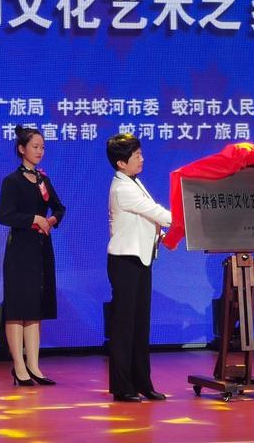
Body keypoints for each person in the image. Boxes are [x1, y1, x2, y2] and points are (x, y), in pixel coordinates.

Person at [0, 125, 66, 387]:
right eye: (35, 146)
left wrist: (51, 219)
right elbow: (5, 215)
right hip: (19, 251)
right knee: (17, 309)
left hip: (40, 248)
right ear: (21, 149)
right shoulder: (12, 181)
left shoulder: (42, 180)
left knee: (34, 309)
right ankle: (19, 366)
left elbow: (59, 208)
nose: (40, 151)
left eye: (43, 147)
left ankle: (34, 366)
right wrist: (34, 219)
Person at [105, 133, 172, 402]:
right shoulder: (122, 188)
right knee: (124, 327)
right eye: (137, 156)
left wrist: (161, 235)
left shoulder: (133, 181)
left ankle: (142, 382)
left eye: (140, 154)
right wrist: (182, 221)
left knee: (140, 325)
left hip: (140, 259)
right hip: (125, 261)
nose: (142, 159)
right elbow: (156, 212)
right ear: (121, 163)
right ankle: (123, 387)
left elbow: (144, 219)